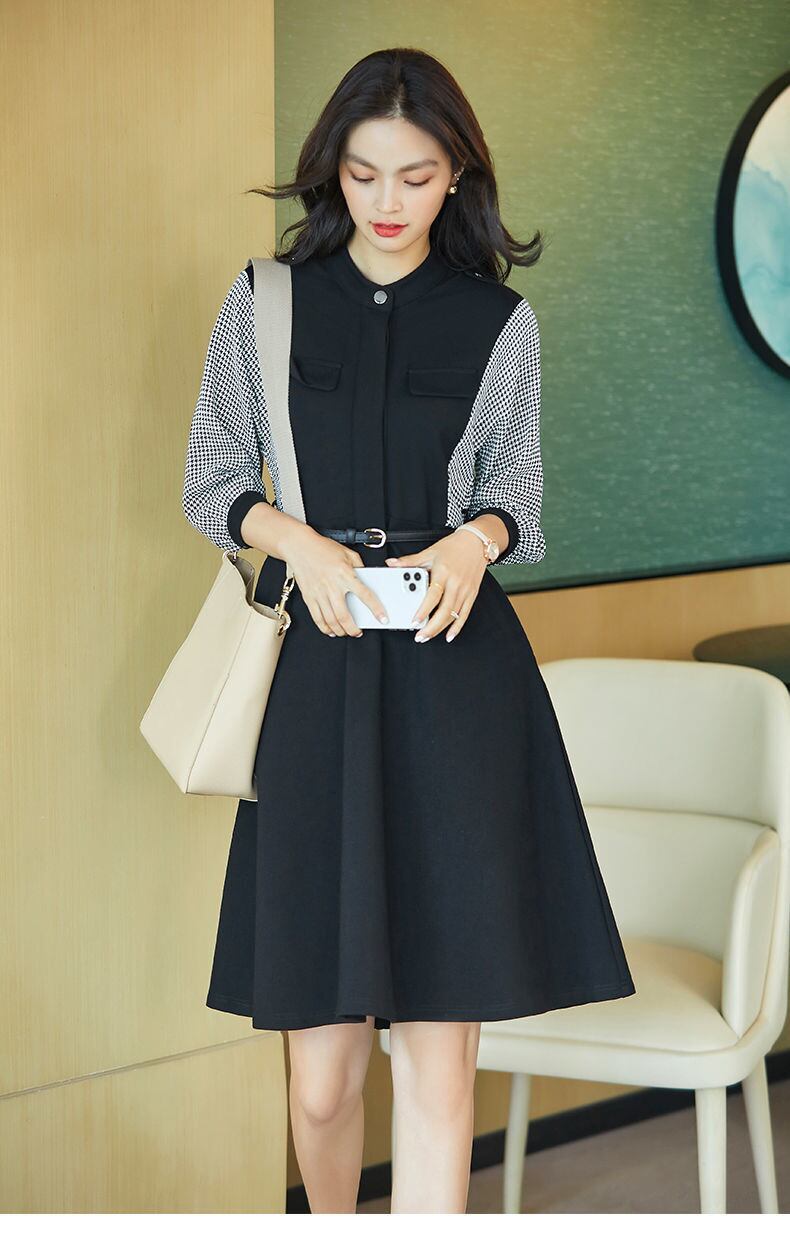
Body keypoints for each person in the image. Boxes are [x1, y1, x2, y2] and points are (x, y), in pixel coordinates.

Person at [182, 46, 635, 1213]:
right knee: (323, 1081)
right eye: (364, 173)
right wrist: (300, 545)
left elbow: (517, 495)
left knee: (439, 1069)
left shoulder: (498, 321)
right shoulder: (265, 302)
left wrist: (472, 542)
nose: (387, 201)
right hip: (317, 683)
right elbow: (210, 481)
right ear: (331, 169)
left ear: (458, 176)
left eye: (417, 176)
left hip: (454, 683)